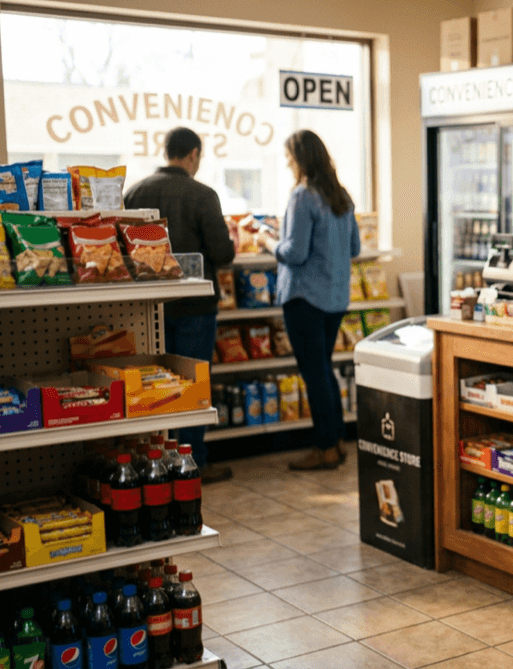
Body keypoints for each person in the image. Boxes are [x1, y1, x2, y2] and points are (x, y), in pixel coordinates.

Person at [125, 127, 236, 484]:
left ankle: (156, 461)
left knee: (154, 388)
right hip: (194, 306)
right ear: (193, 155)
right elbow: (222, 253)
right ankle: (193, 463)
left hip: (147, 310)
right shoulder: (203, 195)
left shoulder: (136, 191)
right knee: (192, 385)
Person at [258, 130, 360, 471]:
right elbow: (355, 249)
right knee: (323, 370)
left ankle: (326, 448)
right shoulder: (341, 196)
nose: (287, 164)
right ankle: (336, 443)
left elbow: (295, 253)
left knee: (314, 374)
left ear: (301, 159)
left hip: (304, 297)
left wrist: (268, 242)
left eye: (289, 157)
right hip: (335, 297)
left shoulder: (302, 196)